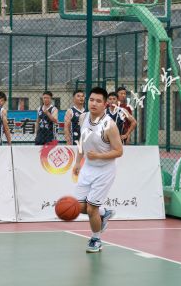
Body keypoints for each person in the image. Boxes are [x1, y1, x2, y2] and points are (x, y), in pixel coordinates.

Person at [72, 87, 121, 253]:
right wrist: (77, 162)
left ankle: (96, 239)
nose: (94, 103)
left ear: (105, 104)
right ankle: (104, 213)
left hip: (105, 170)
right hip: (88, 167)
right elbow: (82, 140)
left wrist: (99, 156)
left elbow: (119, 151)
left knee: (91, 208)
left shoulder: (110, 126)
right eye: (91, 100)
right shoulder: (83, 117)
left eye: (98, 101)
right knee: (78, 207)